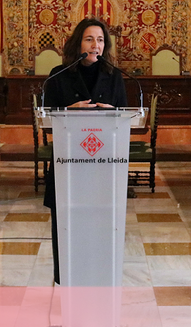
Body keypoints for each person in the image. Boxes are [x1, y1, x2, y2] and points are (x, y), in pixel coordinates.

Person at [43, 18, 127, 284]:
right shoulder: (58, 74)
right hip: (68, 167)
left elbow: (126, 116)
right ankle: (66, 283)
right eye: (89, 39)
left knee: (100, 228)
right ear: (78, 43)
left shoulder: (115, 76)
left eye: (100, 40)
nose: (96, 45)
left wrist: (113, 114)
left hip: (103, 168)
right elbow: (46, 119)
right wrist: (69, 112)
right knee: (68, 230)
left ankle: (100, 280)